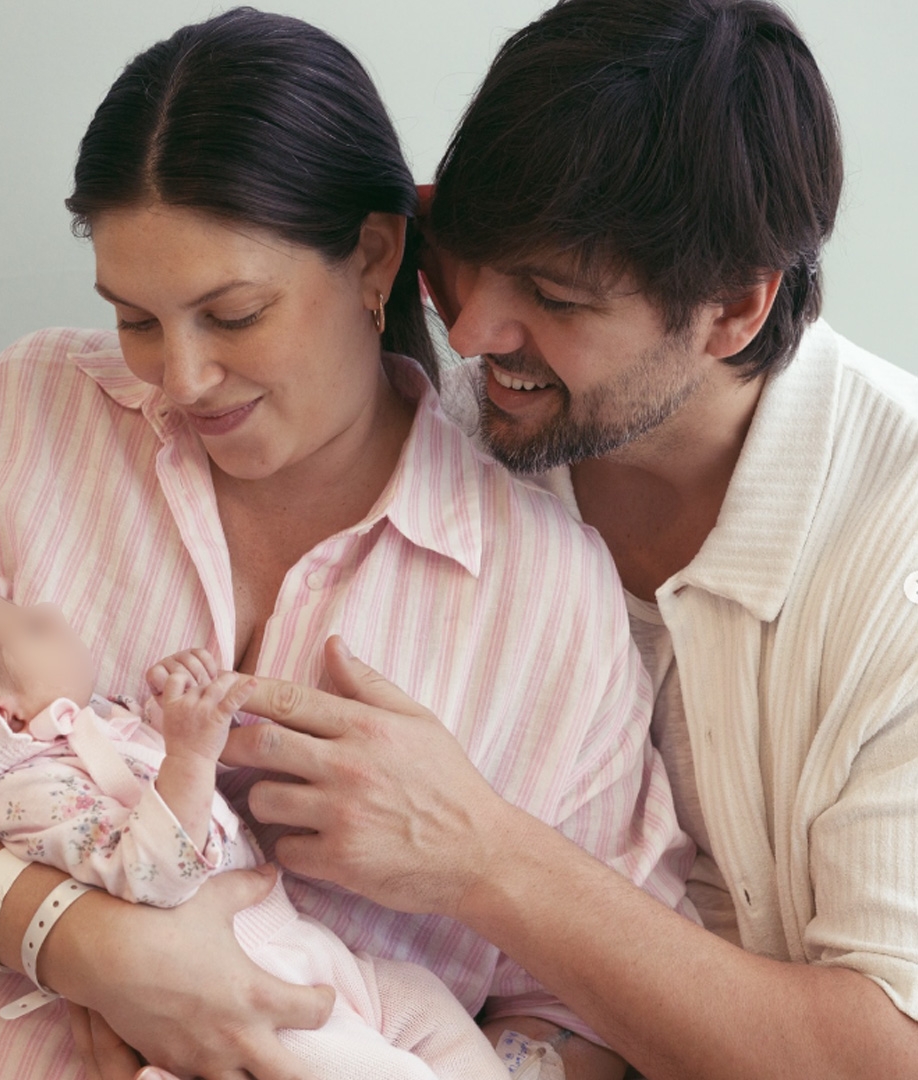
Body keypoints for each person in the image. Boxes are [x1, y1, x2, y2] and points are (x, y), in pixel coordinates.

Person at [0, 8, 693, 1080]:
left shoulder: (540, 593)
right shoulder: (20, 415)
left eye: (232, 316)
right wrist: (82, 942)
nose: (179, 379)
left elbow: (588, 1010)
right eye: (136, 319)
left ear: (375, 258)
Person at [203, 1, 918, 1078]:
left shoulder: (894, 555)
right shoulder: (426, 436)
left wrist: (481, 854)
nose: (474, 331)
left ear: (732, 310)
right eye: (461, 258)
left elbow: (881, 1053)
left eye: (553, 295)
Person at [0, 579, 512, 1080]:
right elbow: (150, 874)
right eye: (30, 630)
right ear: (7, 718)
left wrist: (170, 712)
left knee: (419, 1001)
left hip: (294, 945)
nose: (51, 609)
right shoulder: (24, 799)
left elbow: (151, 787)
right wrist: (190, 753)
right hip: (234, 988)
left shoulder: (88, 733)